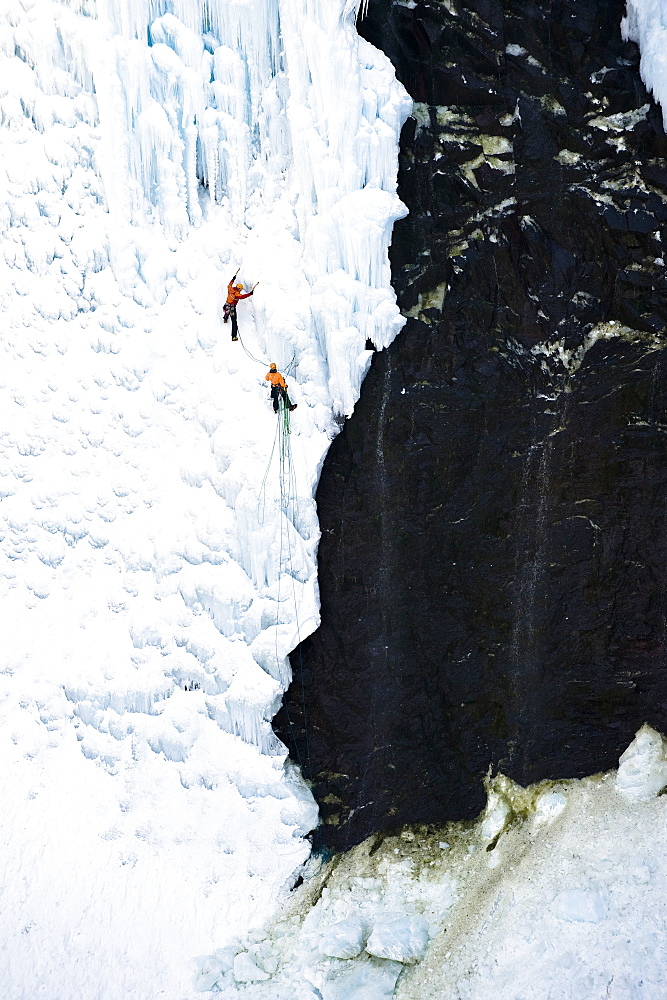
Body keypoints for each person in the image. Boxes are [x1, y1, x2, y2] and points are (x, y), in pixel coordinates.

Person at [224, 269, 257, 341]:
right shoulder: (237, 294)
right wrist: (250, 294)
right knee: (234, 322)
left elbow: (229, 284)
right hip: (232, 307)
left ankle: (225, 319)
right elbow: (242, 297)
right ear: (239, 289)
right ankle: (234, 336)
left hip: (226, 305)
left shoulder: (230, 288)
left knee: (226, 312)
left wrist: (233, 279)